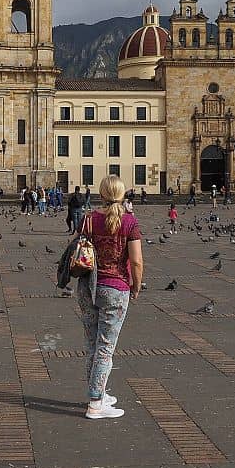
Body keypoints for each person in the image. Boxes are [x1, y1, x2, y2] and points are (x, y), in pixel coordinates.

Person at [76, 175, 143, 420]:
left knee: (92, 344)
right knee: (105, 347)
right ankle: (95, 404)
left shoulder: (89, 220)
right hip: (115, 288)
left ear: (101, 194)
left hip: (87, 287)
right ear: (122, 194)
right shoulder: (129, 222)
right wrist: (135, 286)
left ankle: (98, 393)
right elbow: (136, 261)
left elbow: (79, 250)